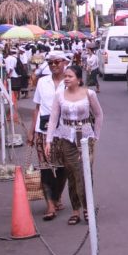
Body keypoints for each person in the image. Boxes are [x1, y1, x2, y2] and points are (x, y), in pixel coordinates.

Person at [47, 64, 104, 226]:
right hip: (66, 138)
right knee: (71, 174)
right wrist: (49, 140)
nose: (66, 79)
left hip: (86, 138)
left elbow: (99, 115)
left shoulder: (89, 94)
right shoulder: (60, 96)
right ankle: (75, 210)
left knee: (83, 172)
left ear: (79, 79)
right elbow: (53, 119)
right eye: (65, 76)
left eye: (70, 76)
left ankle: (87, 208)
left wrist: (96, 136)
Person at [31, 51, 70, 220]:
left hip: (64, 131)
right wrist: (31, 131)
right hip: (43, 129)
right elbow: (37, 107)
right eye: (50, 62)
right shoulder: (42, 82)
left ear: (64, 62)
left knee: (63, 167)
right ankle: (50, 205)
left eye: (57, 62)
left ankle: (57, 196)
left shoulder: (70, 82)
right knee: (45, 167)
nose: (53, 65)